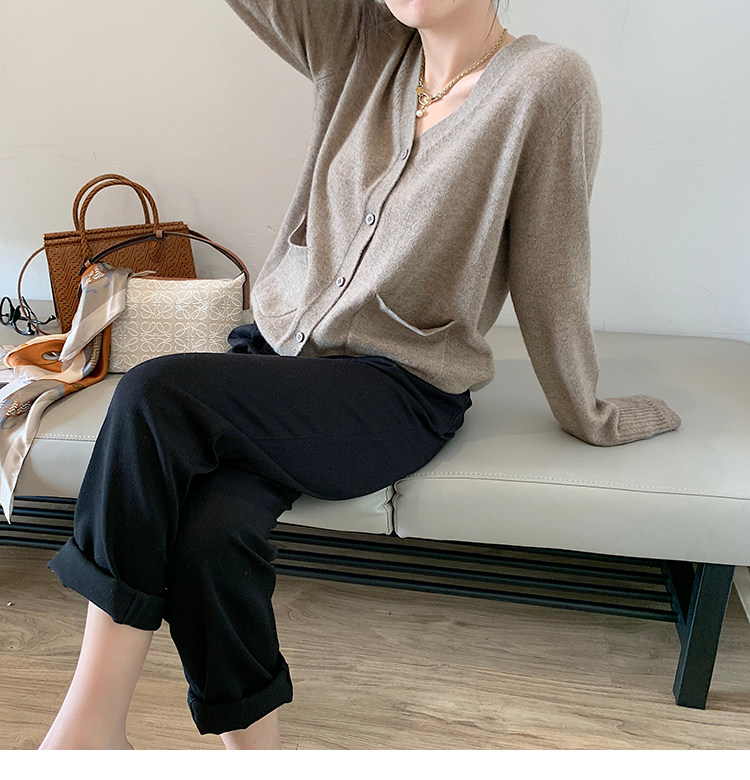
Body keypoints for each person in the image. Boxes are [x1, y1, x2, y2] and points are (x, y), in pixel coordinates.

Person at [38, 0, 681, 750]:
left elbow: (552, 269)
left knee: (154, 394)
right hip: (277, 363)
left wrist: (588, 411)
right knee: (210, 536)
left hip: (396, 390)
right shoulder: (361, 44)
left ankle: (88, 731)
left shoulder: (545, 81)